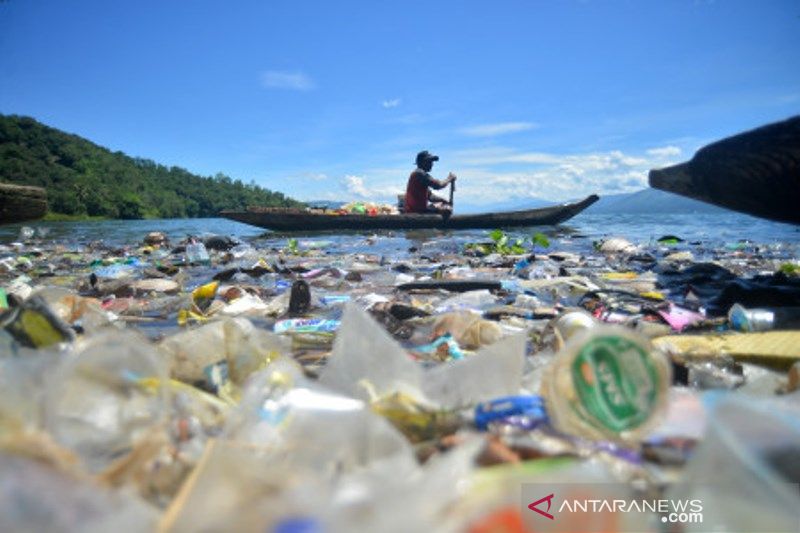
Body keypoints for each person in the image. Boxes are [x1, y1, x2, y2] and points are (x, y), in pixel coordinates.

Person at [404, 150, 457, 215]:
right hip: (416, 212)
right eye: (429, 161)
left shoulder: (419, 175)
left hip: (418, 210)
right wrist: (449, 178)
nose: (432, 164)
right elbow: (438, 185)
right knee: (446, 210)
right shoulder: (419, 173)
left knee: (443, 205)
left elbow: (430, 196)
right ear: (422, 162)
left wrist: (443, 200)